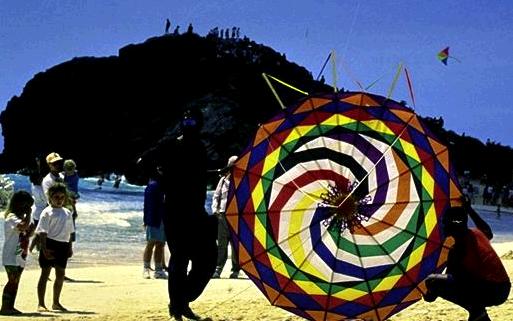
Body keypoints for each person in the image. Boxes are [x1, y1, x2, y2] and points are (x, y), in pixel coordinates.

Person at [138, 108, 217, 321]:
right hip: (174, 212)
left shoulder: (200, 148)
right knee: (180, 260)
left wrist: (221, 172)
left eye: (193, 120)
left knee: (209, 259)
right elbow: (142, 163)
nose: (189, 124)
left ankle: (182, 301)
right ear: (181, 123)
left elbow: (196, 175)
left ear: (200, 123)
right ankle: (178, 307)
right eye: (186, 120)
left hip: (197, 211)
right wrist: (163, 181)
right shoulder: (169, 144)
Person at [423, 198, 511, 321]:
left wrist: (431, 293)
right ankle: (478, 313)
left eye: (444, 223)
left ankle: (477, 311)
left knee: (433, 280)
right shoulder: (477, 233)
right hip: (503, 287)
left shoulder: (458, 250)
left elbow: (451, 280)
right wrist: (469, 209)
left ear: (452, 225)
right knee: (449, 281)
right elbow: (487, 230)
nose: (441, 226)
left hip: (491, 291)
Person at [35, 183, 75, 312]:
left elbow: (70, 232)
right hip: (49, 244)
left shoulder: (68, 212)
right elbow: (42, 232)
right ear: (50, 197)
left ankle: (56, 302)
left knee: (60, 274)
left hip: (63, 245)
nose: (59, 200)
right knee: (45, 274)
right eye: (56, 197)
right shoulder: (46, 212)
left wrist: (70, 247)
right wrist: (44, 249)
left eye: (62, 197)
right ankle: (41, 303)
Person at [1, 191, 34, 315]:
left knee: (16, 281)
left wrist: (34, 224)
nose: (27, 209)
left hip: (20, 255)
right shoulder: (11, 217)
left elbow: (28, 233)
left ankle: (10, 306)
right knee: (12, 280)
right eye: (25, 206)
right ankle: (5, 307)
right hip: (11, 255)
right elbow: (22, 227)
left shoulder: (21, 218)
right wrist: (29, 215)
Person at [212, 155, 241, 279]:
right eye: (232, 164)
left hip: (236, 217)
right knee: (222, 244)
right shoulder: (223, 180)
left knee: (235, 245)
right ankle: (218, 269)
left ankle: (235, 270)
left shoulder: (242, 181)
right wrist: (215, 210)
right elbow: (216, 196)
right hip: (222, 216)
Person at [142, 166, 168, 279]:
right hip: (153, 218)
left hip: (164, 218)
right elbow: (147, 205)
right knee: (151, 243)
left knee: (161, 244)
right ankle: (146, 268)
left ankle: (158, 270)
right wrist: (145, 220)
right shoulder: (152, 185)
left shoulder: (165, 185)